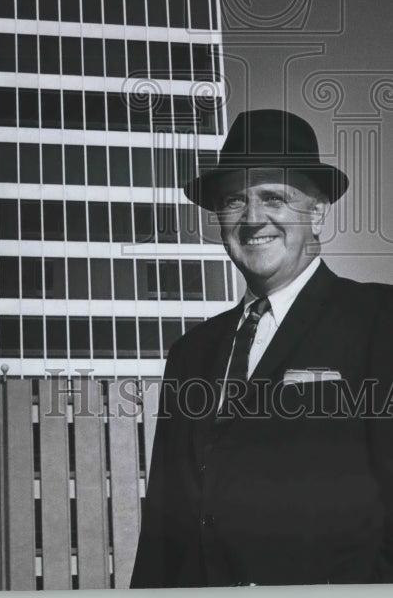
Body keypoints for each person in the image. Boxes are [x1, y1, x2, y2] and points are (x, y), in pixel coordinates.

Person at [131, 108, 393, 587]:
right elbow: (162, 532)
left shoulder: (379, 320)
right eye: (234, 201)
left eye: (273, 197)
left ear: (317, 211)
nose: (253, 219)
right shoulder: (189, 353)